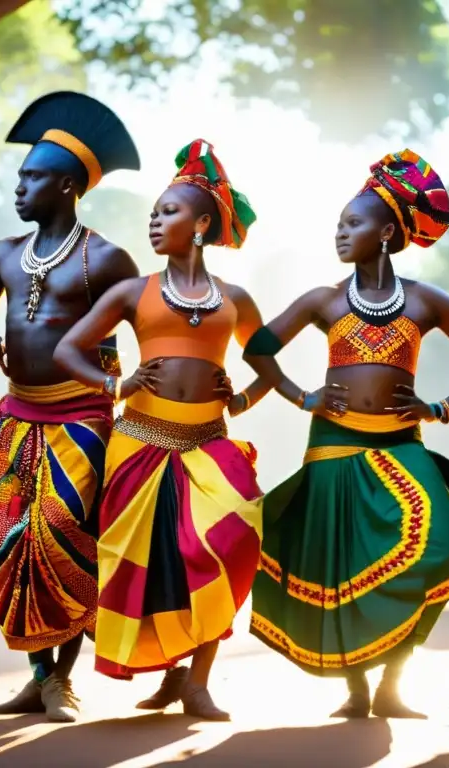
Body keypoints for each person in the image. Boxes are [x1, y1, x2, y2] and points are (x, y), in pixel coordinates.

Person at [243, 149, 449, 719]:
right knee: (342, 568)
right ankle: (360, 693)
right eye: (338, 224)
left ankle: (394, 682)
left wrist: (440, 407)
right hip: (334, 448)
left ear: (387, 231)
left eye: (353, 223)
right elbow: (258, 348)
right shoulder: (324, 300)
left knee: (442, 546)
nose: (341, 233)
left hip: (401, 447)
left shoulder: (426, 301)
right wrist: (301, 395)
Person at [53, 139, 269, 721]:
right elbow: (68, 349)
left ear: (201, 224)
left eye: (168, 212)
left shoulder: (235, 299)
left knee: (225, 543)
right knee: (155, 566)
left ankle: (197, 681)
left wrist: (245, 395)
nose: (155, 220)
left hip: (210, 444)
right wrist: (115, 387)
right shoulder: (133, 292)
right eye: (153, 212)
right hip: (140, 442)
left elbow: (269, 363)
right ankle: (178, 678)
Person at [0, 92, 141, 722]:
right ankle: (38, 675)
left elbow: (151, 326)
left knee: (61, 537)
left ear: (66, 186)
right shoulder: (5, 253)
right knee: (5, 544)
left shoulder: (107, 259)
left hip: (82, 420)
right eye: (20, 176)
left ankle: (61, 679)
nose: (19, 187)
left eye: (32, 177)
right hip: (15, 416)